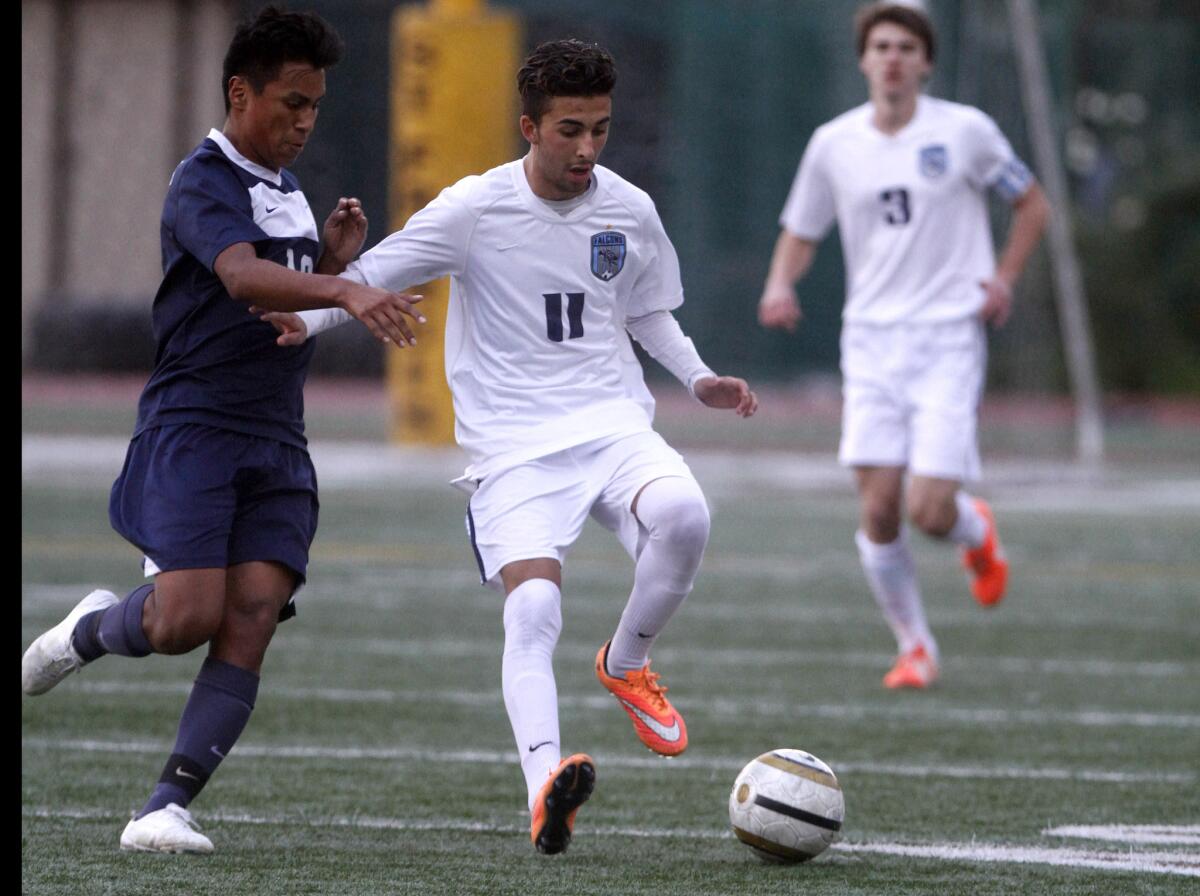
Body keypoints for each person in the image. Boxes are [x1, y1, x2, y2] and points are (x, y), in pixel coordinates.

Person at [269, 38, 757, 855]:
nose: (588, 149)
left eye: (600, 129)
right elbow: (382, 268)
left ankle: (626, 661)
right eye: (570, 129)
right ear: (529, 126)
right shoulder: (476, 207)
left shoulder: (628, 208)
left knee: (685, 516)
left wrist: (698, 376)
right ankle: (544, 790)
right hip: (514, 448)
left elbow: (644, 311)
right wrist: (307, 315)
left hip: (610, 423)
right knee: (533, 608)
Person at [20, 5, 422, 854]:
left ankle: (163, 806)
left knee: (254, 611)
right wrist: (346, 290)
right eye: (290, 103)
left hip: (277, 438)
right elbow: (242, 280)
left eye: (314, 106)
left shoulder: (287, 190)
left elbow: (280, 309)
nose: (304, 122)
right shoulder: (203, 178)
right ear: (240, 93)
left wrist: (334, 262)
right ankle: (92, 628)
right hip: (194, 428)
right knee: (181, 621)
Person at [757, 2, 1049, 690]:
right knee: (880, 509)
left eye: (905, 47)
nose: (892, 57)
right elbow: (802, 228)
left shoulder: (966, 132)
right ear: (864, 60)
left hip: (948, 338)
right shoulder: (834, 143)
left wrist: (1002, 279)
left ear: (925, 62)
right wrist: (779, 285)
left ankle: (975, 531)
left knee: (929, 510)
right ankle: (915, 646)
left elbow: (1031, 204)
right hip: (870, 343)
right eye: (881, 45)